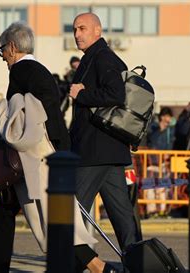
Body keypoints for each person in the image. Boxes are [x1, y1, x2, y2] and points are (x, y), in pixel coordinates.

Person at [0, 22, 117, 273]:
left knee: (53, 216)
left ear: (12, 47)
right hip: (47, 154)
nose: (3, 58)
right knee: (14, 213)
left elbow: (17, 119)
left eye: (2, 51)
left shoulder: (21, 71)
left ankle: (99, 267)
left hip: (33, 158)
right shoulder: (40, 70)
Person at [69, 13, 142, 272]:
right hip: (106, 151)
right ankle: (138, 265)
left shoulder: (104, 57)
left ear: (97, 30)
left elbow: (116, 93)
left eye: (82, 28)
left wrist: (82, 93)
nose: (77, 34)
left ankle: (92, 265)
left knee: (68, 216)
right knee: (123, 219)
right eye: (74, 29)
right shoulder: (94, 57)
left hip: (95, 152)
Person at [145, 107, 175, 218]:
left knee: (162, 188)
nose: (169, 119)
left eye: (170, 117)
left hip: (163, 163)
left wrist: (169, 153)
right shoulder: (153, 126)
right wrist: (160, 129)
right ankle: (151, 211)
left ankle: (162, 211)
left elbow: (171, 142)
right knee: (150, 187)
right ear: (162, 116)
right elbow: (151, 140)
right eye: (167, 116)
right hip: (151, 162)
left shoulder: (170, 130)